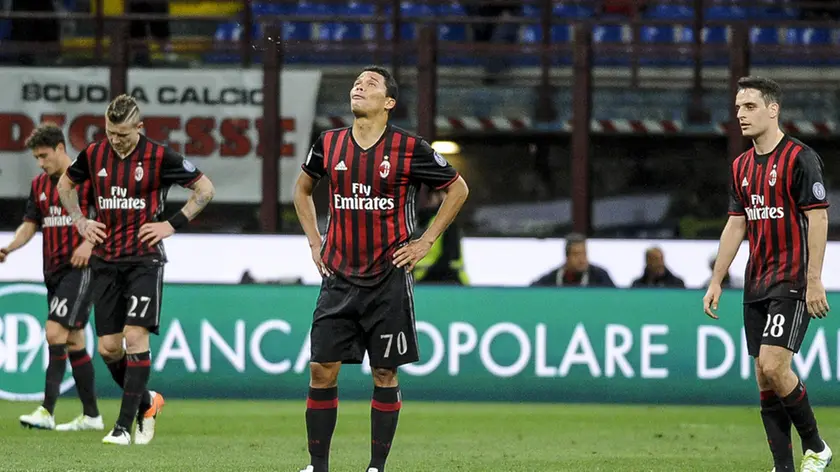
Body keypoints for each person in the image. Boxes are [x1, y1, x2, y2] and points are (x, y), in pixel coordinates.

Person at [293, 66, 469, 472]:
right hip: (337, 276)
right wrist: (314, 240)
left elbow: (457, 189)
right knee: (321, 370)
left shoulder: (410, 147)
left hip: (387, 279)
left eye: (371, 84)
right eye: (356, 82)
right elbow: (302, 188)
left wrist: (426, 241)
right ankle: (318, 466)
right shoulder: (329, 143)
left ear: (389, 102)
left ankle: (376, 467)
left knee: (385, 372)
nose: (359, 86)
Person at [57, 94, 216, 445]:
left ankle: (121, 428)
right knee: (109, 349)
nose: (117, 140)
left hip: (145, 259)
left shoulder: (160, 156)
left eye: (124, 134)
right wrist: (80, 221)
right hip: (106, 261)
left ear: (140, 127)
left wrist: (171, 224)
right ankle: (147, 402)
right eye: (111, 132)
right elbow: (64, 185)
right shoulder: (94, 154)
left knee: (134, 337)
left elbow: (205, 189)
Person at [703, 76, 832, 472]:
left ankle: (817, 447)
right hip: (756, 281)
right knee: (763, 376)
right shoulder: (741, 166)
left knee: (775, 365)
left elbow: (819, 217)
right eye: (738, 108)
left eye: (750, 107)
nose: (740, 114)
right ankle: (784, 467)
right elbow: (736, 225)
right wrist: (716, 279)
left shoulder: (800, 158)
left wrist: (814, 278)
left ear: (773, 109)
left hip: (792, 278)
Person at [1, 123, 103, 432]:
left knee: (55, 332)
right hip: (54, 271)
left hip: (82, 269)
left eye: (44, 156)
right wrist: (9, 247)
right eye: (37, 158)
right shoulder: (40, 186)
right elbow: (31, 224)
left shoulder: (87, 180)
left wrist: (89, 242)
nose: (41, 163)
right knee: (73, 340)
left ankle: (47, 411)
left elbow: (109, 217)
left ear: (61, 148)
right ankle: (92, 416)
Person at [530, 233, 614, 287]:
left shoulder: (600, 276)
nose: (582, 259)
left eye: (584, 254)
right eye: (576, 254)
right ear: (567, 256)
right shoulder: (553, 278)